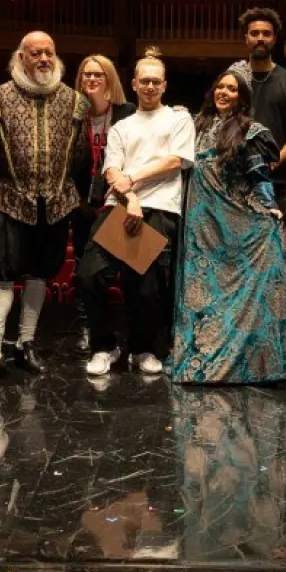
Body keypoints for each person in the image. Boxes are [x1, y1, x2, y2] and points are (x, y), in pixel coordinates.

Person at [0, 31, 90, 387]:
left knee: (40, 273)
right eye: (36, 53)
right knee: (0, 273)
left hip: (57, 203)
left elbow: (80, 158)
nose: (44, 59)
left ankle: (26, 344)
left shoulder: (76, 103)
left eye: (49, 52)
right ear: (21, 57)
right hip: (8, 199)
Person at [169, 67, 286, 384]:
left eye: (232, 89)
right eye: (220, 87)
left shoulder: (248, 131)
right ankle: (202, 362)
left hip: (236, 220)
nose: (224, 92)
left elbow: (258, 174)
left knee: (238, 295)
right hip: (201, 227)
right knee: (205, 293)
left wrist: (269, 206)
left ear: (241, 97)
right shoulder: (195, 126)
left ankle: (250, 366)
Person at [76, 48, 195, 376]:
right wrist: (131, 199)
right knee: (90, 276)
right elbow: (110, 171)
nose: (150, 86)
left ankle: (142, 349)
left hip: (160, 208)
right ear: (133, 84)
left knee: (147, 289)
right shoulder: (121, 127)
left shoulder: (179, 119)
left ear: (165, 85)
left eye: (156, 81)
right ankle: (105, 346)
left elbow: (174, 161)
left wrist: (132, 180)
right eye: (145, 81)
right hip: (122, 207)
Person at [71, 54, 136, 353]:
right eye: (87, 75)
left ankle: (132, 332)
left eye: (99, 74)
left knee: (128, 270)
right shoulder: (73, 115)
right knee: (84, 271)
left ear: (110, 79)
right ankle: (89, 328)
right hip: (84, 205)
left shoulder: (127, 112)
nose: (92, 79)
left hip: (119, 202)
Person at [232, 7, 286, 215]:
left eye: (266, 33)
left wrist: (274, 162)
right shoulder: (232, 81)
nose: (260, 38)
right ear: (246, 38)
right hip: (235, 179)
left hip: (274, 181)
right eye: (255, 33)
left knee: (272, 245)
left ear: (274, 39)